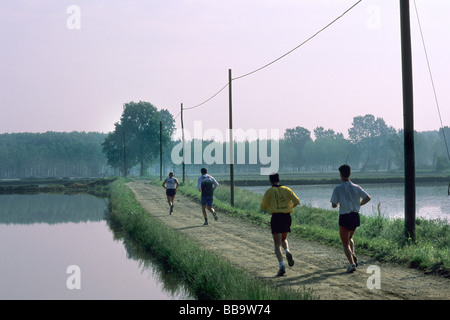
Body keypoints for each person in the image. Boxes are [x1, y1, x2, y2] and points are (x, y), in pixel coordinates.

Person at [330, 164, 371, 273]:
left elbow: (334, 205)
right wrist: (359, 204)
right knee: (350, 238)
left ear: (340, 174)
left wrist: (339, 203)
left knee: (345, 243)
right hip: (355, 216)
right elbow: (368, 197)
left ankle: (352, 263)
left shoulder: (337, 188)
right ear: (350, 173)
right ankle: (352, 255)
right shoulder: (357, 187)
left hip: (344, 216)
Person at [261, 173, 300, 277]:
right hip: (287, 216)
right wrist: (290, 207)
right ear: (279, 179)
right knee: (283, 238)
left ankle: (281, 266)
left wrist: (271, 205)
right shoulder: (287, 189)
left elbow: (264, 206)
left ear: (270, 181)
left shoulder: (269, 191)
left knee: (277, 244)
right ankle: (287, 250)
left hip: (276, 217)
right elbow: (297, 201)